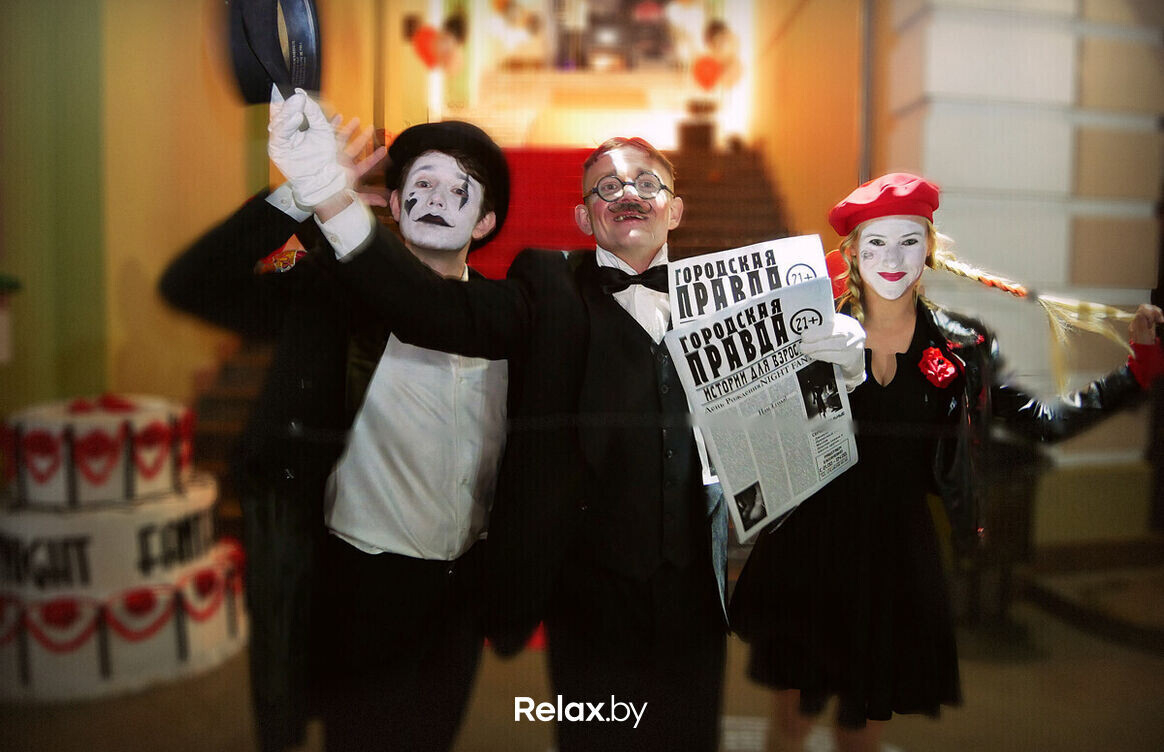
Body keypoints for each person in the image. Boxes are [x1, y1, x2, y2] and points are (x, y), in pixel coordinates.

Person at [267, 97, 867, 751]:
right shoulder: (547, 286)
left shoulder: (733, 300)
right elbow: (432, 310)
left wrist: (838, 372)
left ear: (675, 210)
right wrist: (330, 197)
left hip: (695, 598)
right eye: (606, 186)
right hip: (588, 603)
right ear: (584, 216)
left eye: (647, 183)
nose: (627, 194)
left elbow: (796, 436)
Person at [728, 172, 1164, 752]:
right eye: (876, 243)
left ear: (929, 248)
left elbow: (1041, 421)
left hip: (895, 557)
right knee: (791, 724)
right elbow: (757, 436)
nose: (892, 259)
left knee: (860, 731)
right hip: (811, 547)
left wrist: (1136, 372)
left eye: (909, 241)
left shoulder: (961, 348)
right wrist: (805, 371)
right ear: (852, 252)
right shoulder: (811, 332)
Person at [159, 95, 511, 752]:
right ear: (394, 204)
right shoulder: (327, 294)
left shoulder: (510, 317)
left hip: (460, 592)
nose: (436, 197)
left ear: (486, 220)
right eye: (421, 183)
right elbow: (192, 284)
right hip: (356, 582)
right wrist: (299, 196)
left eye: (459, 187)